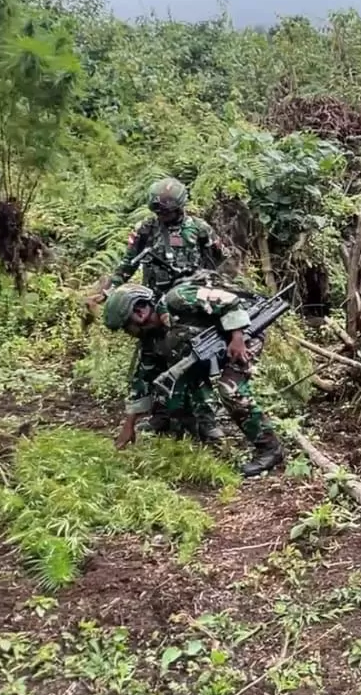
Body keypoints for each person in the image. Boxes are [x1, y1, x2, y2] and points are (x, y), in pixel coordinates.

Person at [101, 278, 284, 478]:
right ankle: (204, 432)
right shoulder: (151, 339)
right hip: (207, 352)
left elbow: (231, 302)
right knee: (178, 385)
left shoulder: (178, 299)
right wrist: (129, 425)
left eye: (127, 327)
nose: (128, 333)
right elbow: (143, 379)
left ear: (139, 313)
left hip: (243, 334)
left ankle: (270, 448)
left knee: (230, 389)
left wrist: (237, 338)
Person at [97, 178, 229, 441]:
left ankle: (206, 420)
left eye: (167, 211)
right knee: (153, 360)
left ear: (180, 207)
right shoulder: (146, 228)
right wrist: (111, 290)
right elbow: (127, 263)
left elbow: (219, 259)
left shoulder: (199, 229)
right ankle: (161, 416)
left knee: (193, 360)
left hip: (187, 305)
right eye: (158, 211)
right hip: (152, 306)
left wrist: (207, 287)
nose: (163, 216)